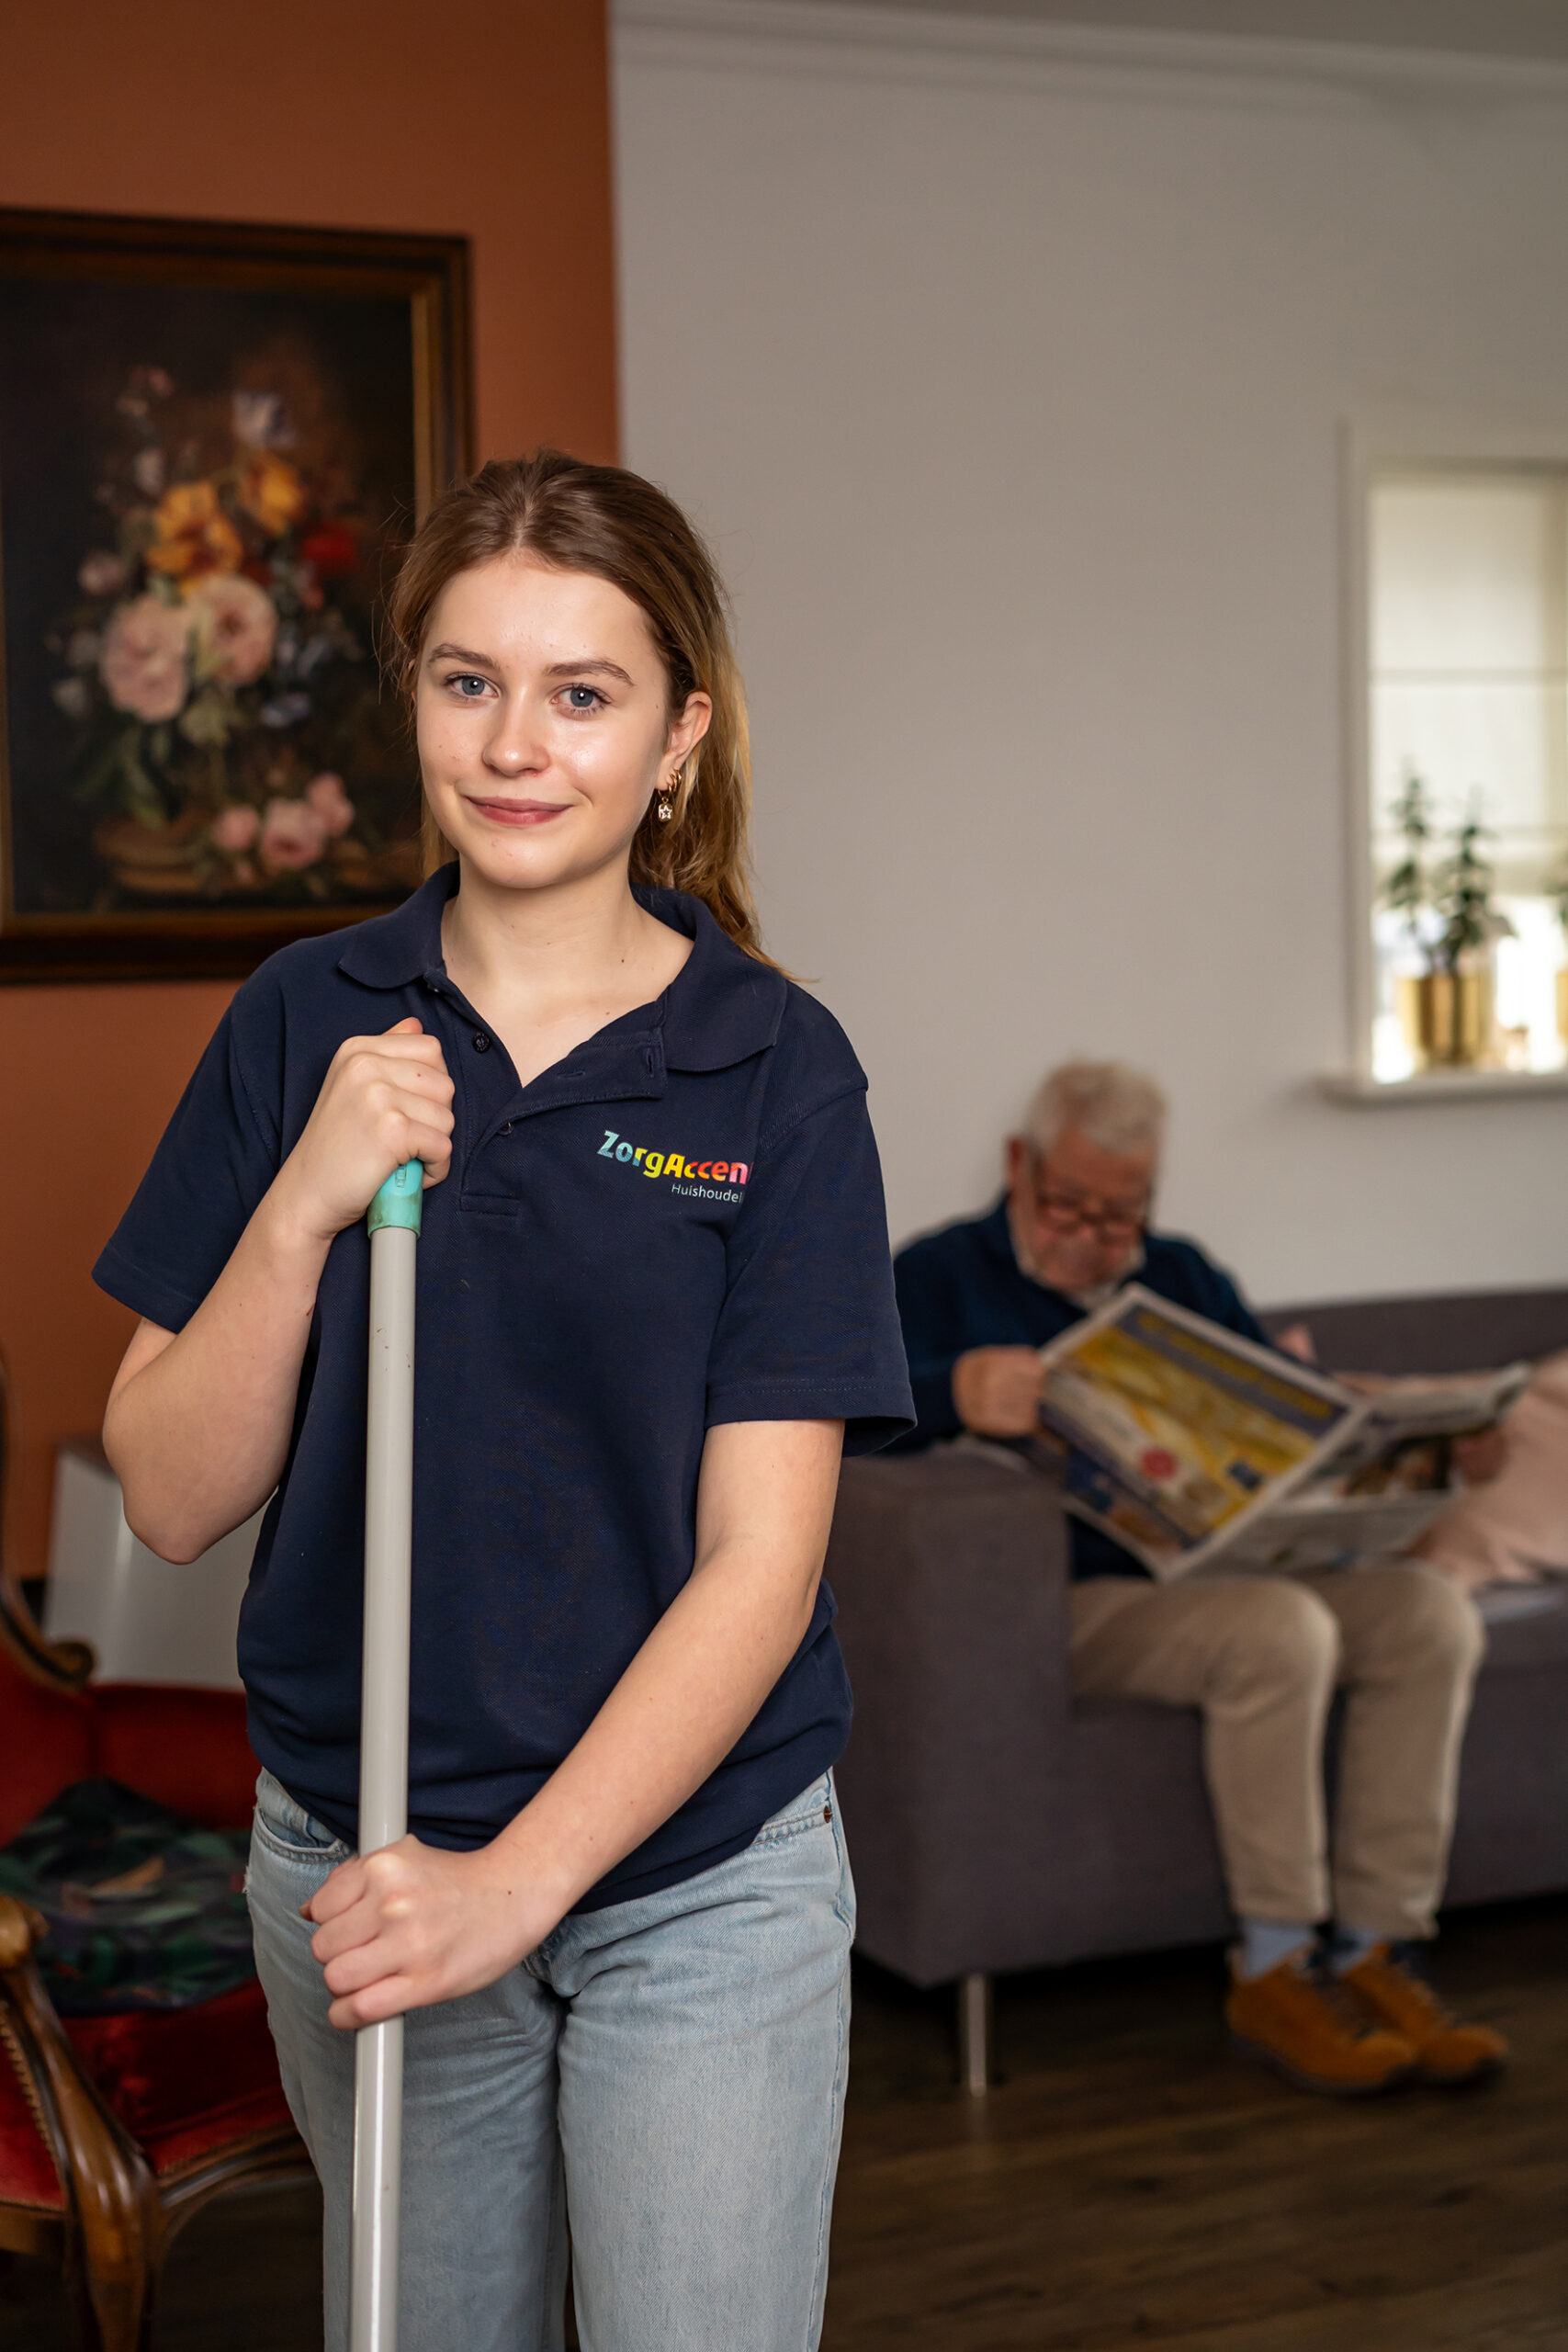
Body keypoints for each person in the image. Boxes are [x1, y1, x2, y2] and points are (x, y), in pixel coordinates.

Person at [96, 452, 914, 2352]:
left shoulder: (776, 1071)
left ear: (679, 736)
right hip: (368, 1839)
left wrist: (518, 1885)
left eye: (581, 691)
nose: (515, 743)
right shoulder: (307, 1015)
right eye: (467, 681)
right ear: (413, 702)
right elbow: (167, 1492)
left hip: (694, 1865)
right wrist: (305, 1198)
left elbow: (760, 1561)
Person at [893, 1057, 1506, 2098]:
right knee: (1279, 1631)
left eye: (1121, 1214)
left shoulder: (1181, 1275)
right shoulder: (937, 1276)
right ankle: (1274, 1968)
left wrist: (1430, 1453)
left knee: (1428, 1613)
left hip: (1221, 1571)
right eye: (1068, 1203)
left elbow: (1291, 1420)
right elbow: (829, 1418)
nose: (1092, 1234)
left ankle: (1378, 1947)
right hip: (1078, 1605)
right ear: (1017, 1165)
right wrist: (949, 1390)